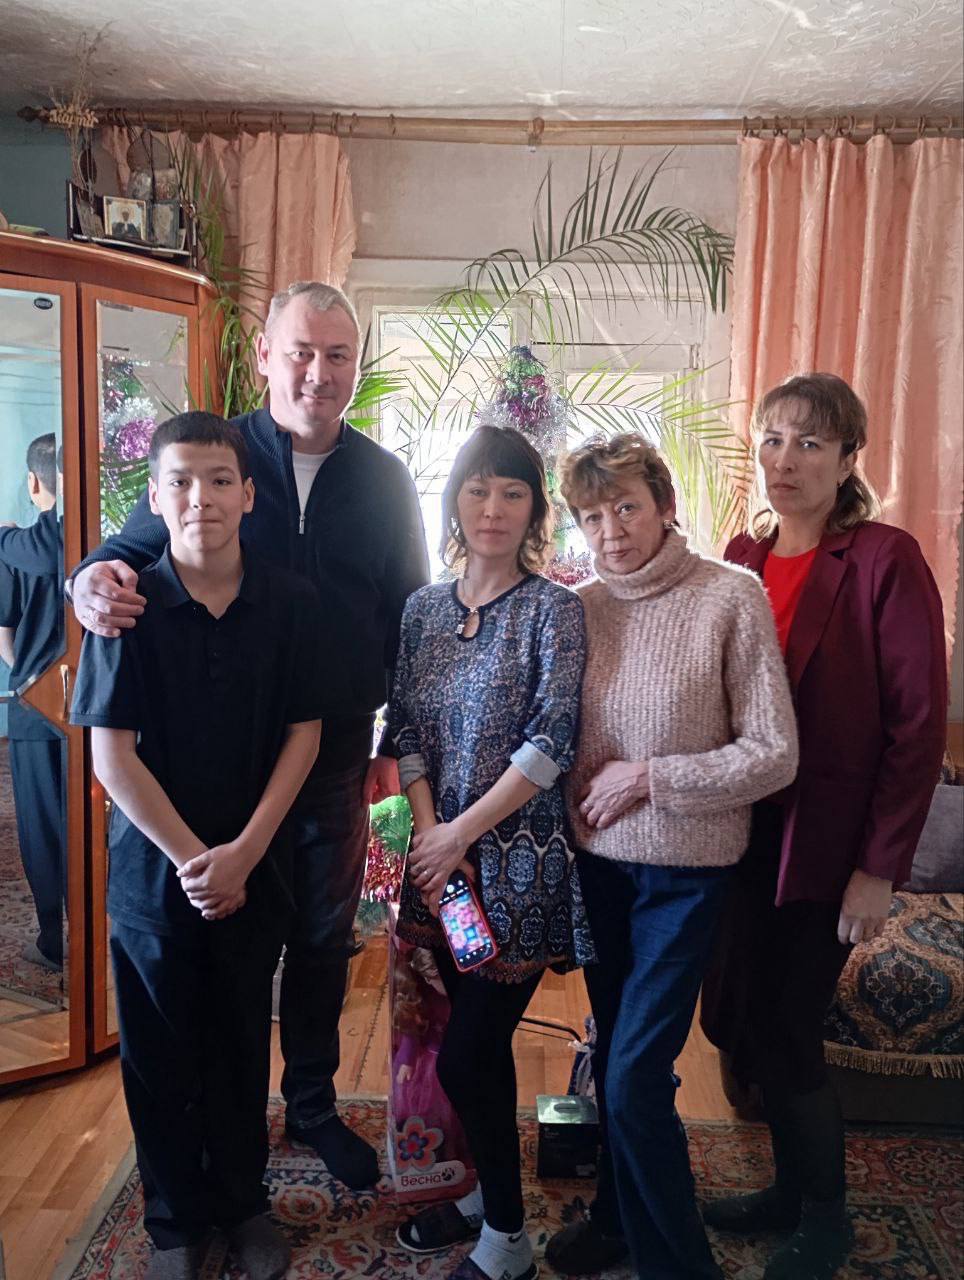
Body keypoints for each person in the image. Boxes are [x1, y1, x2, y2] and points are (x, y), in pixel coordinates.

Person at [68, 282, 429, 1189]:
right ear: (266, 355)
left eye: (338, 355)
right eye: (301, 352)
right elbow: (125, 550)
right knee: (224, 933)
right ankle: (219, 1123)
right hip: (220, 754)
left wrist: (395, 742)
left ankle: (310, 1104)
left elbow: (411, 620)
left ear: (357, 366)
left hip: (334, 746)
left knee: (322, 936)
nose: (319, 373)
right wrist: (87, 581)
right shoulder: (215, 458)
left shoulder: (384, 480)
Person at [699, 373, 947, 1280]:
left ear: (848, 460)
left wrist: (879, 868)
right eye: (772, 439)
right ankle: (786, 1189)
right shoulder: (743, 556)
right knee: (737, 1018)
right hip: (738, 842)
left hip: (826, 846)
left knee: (788, 1024)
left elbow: (918, 724)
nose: (786, 460)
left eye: (809, 443)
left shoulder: (883, 558)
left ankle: (826, 1217)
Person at [70, 412, 326, 1280]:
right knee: (158, 1057)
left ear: (249, 495)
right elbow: (112, 757)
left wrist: (245, 853)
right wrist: (194, 861)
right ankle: (175, 1223)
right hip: (156, 883)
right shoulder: (126, 609)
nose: (200, 499)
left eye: (219, 481)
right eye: (179, 481)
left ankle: (243, 1203)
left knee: (241, 1043)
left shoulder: (290, 602)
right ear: (153, 496)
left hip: (255, 872)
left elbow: (305, 734)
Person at [544, 432, 799, 1280]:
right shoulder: (577, 606)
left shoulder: (731, 596)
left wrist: (650, 778)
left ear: (664, 505)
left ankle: (680, 1265)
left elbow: (774, 754)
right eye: (591, 515)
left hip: (686, 875)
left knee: (631, 1076)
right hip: (597, 868)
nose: (611, 530)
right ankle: (617, 1220)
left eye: (626, 507)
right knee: (621, 1058)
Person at [387, 424, 593, 1280]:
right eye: (478, 489)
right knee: (461, 1050)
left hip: (519, 870)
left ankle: (506, 1238)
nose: (494, 508)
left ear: (536, 509)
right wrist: (431, 836)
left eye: (513, 492)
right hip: (440, 868)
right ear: (455, 501)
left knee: (472, 1053)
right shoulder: (422, 610)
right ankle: (481, 1197)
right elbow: (404, 730)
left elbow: (553, 742)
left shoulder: (556, 610)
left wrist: (460, 833)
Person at [0, 434, 66, 970]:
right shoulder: (108, 533)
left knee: (41, 825)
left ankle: (53, 938)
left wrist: (26, 673)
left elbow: (5, 635)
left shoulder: (16, 548)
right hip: (95, 703)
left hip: (33, 704)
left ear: (34, 481)